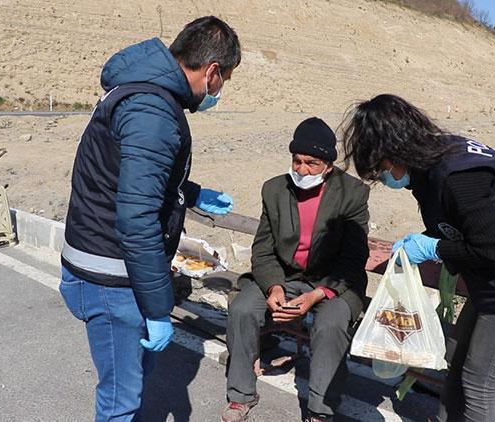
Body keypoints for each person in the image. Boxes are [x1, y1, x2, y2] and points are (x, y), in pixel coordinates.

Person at [341, 94, 495, 422]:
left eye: (380, 170)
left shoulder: (456, 176)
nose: (381, 178)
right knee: (459, 360)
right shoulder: (431, 161)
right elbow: (468, 228)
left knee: (480, 382)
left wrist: (434, 248)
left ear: (395, 152)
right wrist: (434, 239)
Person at [58, 16, 241, 421]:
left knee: (133, 382)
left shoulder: (141, 92)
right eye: (224, 79)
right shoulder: (153, 111)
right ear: (211, 72)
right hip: (112, 275)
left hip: (103, 263)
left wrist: (190, 193)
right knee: (120, 401)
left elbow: (128, 174)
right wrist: (159, 310)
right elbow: (137, 218)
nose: (220, 90)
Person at [222, 117, 371, 422]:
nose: (302, 170)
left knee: (330, 326)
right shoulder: (275, 189)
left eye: (312, 163)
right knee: (242, 309)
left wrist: (318, 294)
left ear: (328, 164)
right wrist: (274, 287)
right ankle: (241, 395)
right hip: (285, 276)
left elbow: (353, 257)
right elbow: (263, 249)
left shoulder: (352, 194)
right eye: (297, 161)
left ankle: (320, 410)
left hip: (333, 282)